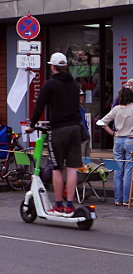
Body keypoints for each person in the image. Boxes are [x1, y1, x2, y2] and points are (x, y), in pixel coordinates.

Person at [27, 52, 82, 215]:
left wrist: (32, 125)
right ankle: (70, 204)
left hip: (58, 129)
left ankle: (58, 205)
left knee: (57, 167)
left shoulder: (50, 84)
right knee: (72, 168)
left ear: (53, 67)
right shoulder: (73, 84)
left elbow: (39, 106)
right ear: (65, 66)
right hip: (75, 128)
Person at [98, 87, 133, 206]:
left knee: (118, 170)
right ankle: (127, 199)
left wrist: (112, 133)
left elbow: (101, 122)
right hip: (131, 139)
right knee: (128, 170)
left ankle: (118, 199)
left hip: (118, 139)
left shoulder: (116, 109)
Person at [79, 90, 91, 159]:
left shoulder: (82, 109)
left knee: (87, 158)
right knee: (81, 158)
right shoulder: (73, 109)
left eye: (82, 96)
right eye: (79, 96)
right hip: (79, 138)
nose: (82, 98)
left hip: (86, 136)